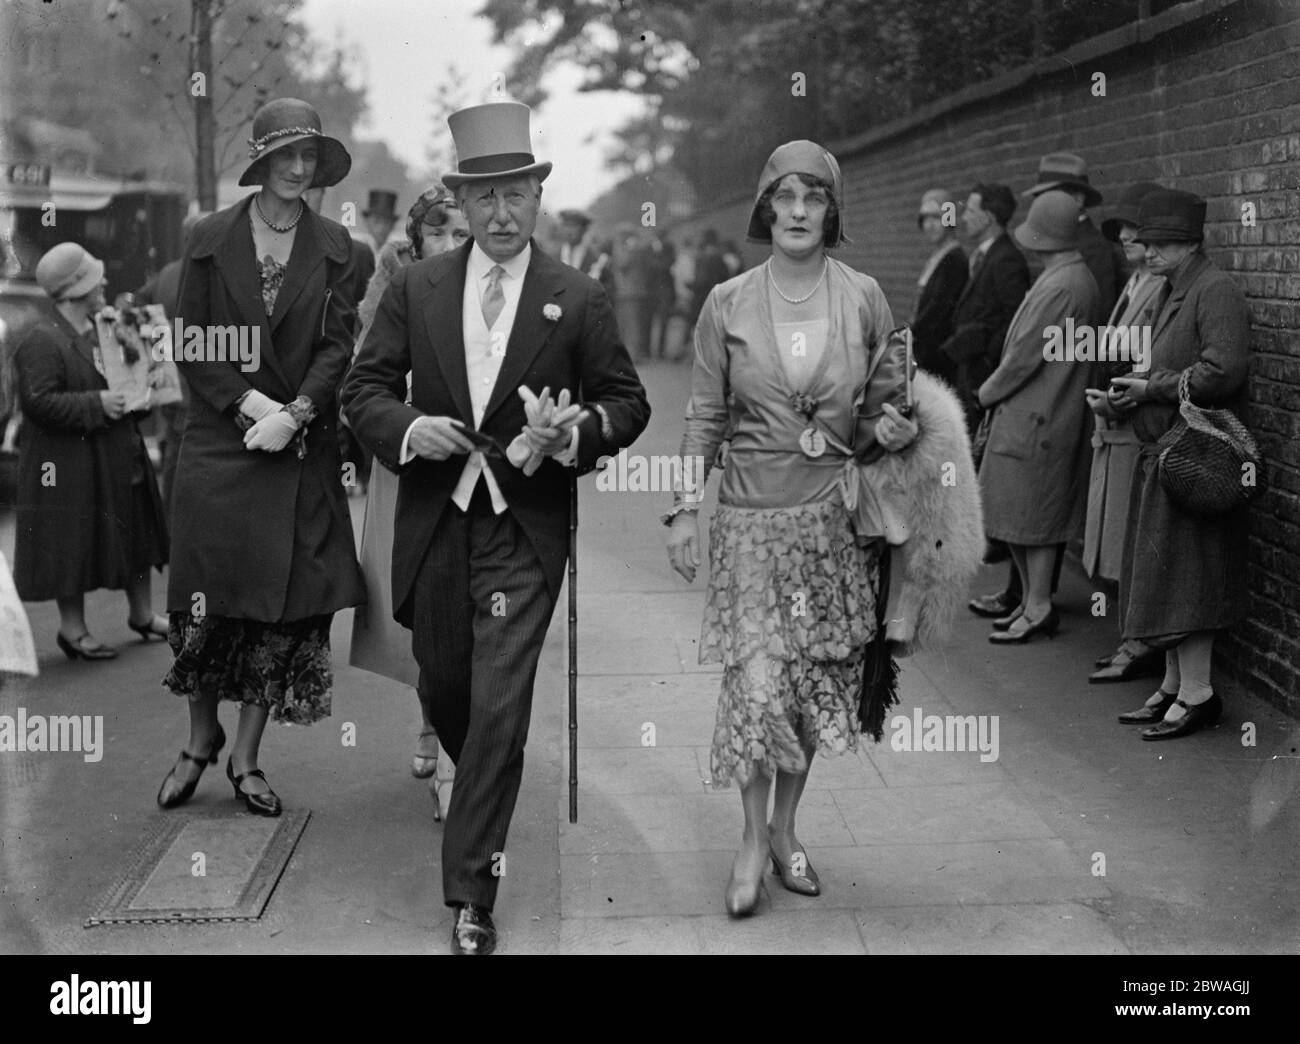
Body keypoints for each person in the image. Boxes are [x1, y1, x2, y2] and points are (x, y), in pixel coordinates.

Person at [342, 101, 650, 955]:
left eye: (517, 195)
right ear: (462, 204)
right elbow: (362, 390)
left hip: (524, 528)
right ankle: (470, 783)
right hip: (439, 520)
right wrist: (410, 429)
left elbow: (628, 402)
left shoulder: (575, 296)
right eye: (485, 200)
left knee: (502, 705)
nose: (502, 214)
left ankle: (473, 893)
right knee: (446, 687)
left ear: (537, 199)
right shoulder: (416, 287)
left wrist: (572, 434)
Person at [666, 141, 921, 919]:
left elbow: (882, 408)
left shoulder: (864, 298)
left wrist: (899, 424)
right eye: (787, 197)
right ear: (766, 208)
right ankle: (748, 839)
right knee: (756, 682)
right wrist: (683, 507)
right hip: (748, 523)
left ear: (831, 211)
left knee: (813, 686)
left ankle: (785, 829)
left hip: (832, 525)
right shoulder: (728, 302)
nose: (801, 211)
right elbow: (706, 413)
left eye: (815, 197)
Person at [156, 97, 364, 817]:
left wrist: (298, 413)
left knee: (278, 614)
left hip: (298, 449)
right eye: (285, 157)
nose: (298, 170)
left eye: (309, 158)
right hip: (220, 442)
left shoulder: (341, 249)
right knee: (208, 603)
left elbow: (339, 347)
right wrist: (252, 407)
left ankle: (246, 757)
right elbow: (193, 342)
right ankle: (198, 739)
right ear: (262, 162)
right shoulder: (209, 237)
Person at [1108, 189, 1253, 739]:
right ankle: (1174, 686)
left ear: (1190, 242)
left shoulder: (1215, 291)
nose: (1146, 253)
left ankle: (1198, 693)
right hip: (1168, 456)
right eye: (1146, 243)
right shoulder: (1176, 289)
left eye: (1158, 244)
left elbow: (1222, 371)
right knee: (1167, 577)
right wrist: (1134, 395)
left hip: (1195, 460)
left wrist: (1153, 386)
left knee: (1189, 577)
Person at [348, 184, 470, 818]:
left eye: (461, 232)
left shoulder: (486, 282)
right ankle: (429, 723)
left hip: (471, 463)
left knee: (464, 604)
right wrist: (410, 420)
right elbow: (366, 375)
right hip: (408, 461)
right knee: (419, 607)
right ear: (415, 239)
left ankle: (457, 753)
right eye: (441, 232)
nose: (453, 244)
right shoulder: (393, 285)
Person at [12, 243, 170, 659]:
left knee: (138, 527)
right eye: (94, 276)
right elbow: (38, 401)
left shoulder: (108, 327)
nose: (103, 281)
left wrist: (147, 387)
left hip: (119, 451)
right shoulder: (43, 339)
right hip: (75, 463)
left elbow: (131, 379)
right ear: (76, 287)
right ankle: (72, 629)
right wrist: (97, 404)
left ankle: (141, 613)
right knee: (74, 540)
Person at [976, 190, 1101, 643]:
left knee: (1033, 515)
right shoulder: (1069, 278)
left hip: (1037, 415)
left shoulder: (1062, 284)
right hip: (1040, 413)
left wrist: (985, 393)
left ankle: (1038, 605)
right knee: (1021, 513)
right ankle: (1031, 604)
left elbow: (1024, 357)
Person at [1083, 182, 1168, 684]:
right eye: (1123, 231)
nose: (1129, 239)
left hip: (1133, 427)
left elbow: (1151, 360)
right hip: (1112, 424)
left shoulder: (1158, 289)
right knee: (1114, 537)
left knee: (1129, 538)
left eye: (1139, 231)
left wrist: (1119, 397)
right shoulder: (1133, 284)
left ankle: (1139, 643)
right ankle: (1130, 638)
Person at [940, 183, 1031, 620]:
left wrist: (979, 350)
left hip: (985, 377)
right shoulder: (987, 255)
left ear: (990, 216)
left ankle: (1015, 585)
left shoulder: (1008, 259)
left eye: (970, 210)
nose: (962, 216)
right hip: (973, 375)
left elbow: (1011, 324)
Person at [136, 211, 209, 509]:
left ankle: (170, 533)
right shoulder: (209, 273)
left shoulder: (167, 273)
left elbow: (138, 301)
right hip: (199, 385)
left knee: (173, 455)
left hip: (169, 379)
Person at [1025, 152, 1127, 317]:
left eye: (1051, 196)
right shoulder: (1057, 239)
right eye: (1040, 197)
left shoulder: (1094, 248)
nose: (1042, 204)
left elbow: (1097, 315)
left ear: (1078, 199)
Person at [911, 188, 967, 384]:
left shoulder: (955, 260)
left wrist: (910, 333)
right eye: (925, 219)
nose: (929, 225)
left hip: (940, 360)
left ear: (949, 218)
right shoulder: (937, 256)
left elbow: (938, 309)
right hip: (926, 355)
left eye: (936, 217)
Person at [556, 208, 615, 298]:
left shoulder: (599, 260)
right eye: (565, 225)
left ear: (584, 230)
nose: (568, 231)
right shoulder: (551, 257)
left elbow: (607, 297)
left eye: (573, 226)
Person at [362, 189, 401, 257]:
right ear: (366, 222)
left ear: (393, 225)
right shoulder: (355, 251)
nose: (381, 227)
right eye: (376, 221)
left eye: (386, 222)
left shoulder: (397, 255)